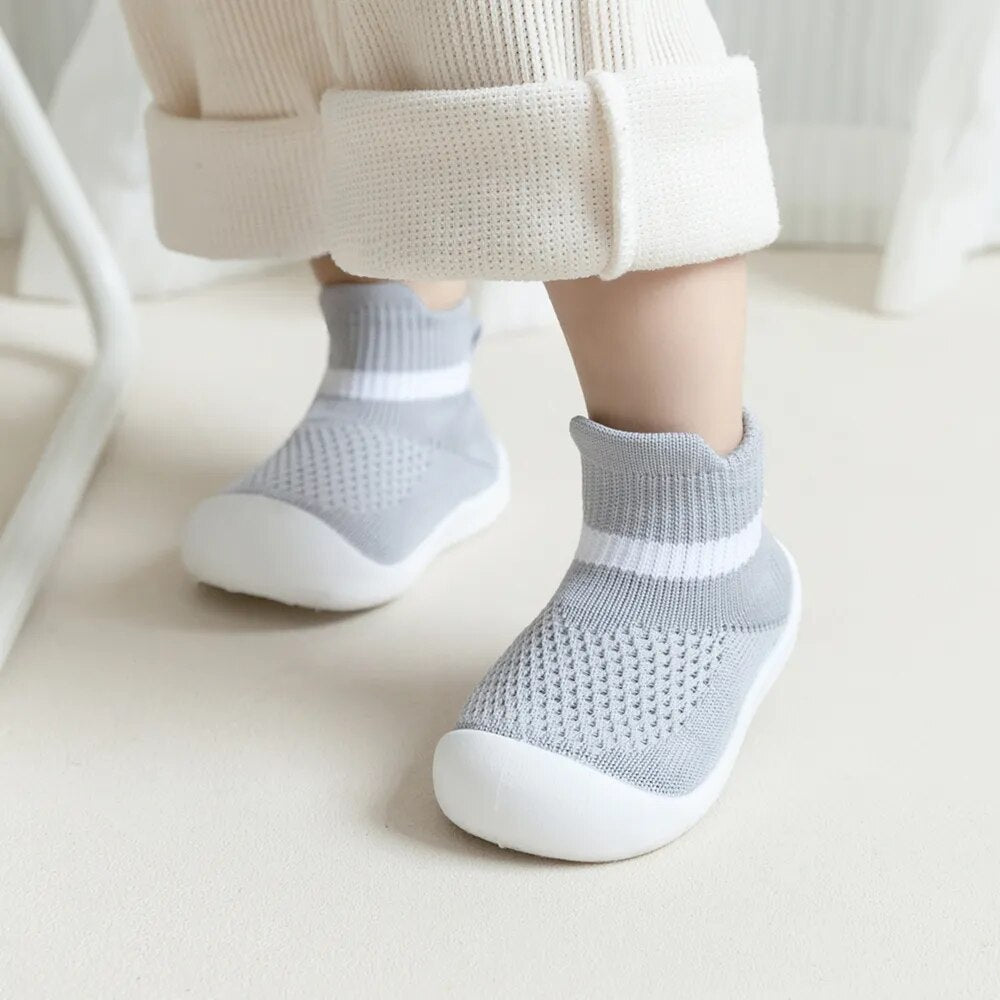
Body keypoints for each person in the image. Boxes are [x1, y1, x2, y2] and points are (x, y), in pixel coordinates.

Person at [118, 0, 800, 862]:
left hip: (696, 559)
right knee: (286, 25)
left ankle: (695, 548)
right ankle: (407, 382)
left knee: (531, 27)